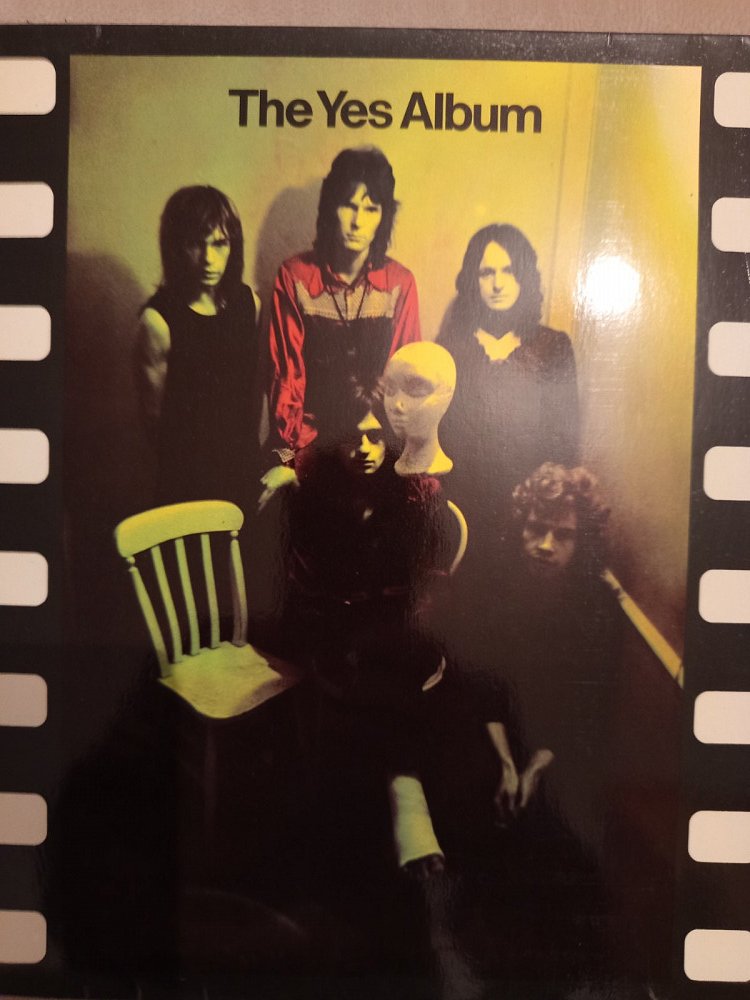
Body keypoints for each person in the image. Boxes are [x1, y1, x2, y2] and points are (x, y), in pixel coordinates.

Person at [260, 147, 421, 510]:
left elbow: (407, 380)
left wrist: (383, 447)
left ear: (384, 216)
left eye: (371, 209)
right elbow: (287, 378)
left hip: (375, 445)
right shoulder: (294, 277)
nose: (357, 221)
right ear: (330, 207)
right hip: (312, 445)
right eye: (349, 205)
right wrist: (294, 459)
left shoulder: (400, 283)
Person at [437, 224, 579, 566]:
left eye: (509, 270)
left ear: (524, 277)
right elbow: (441, 436)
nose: (498, 284)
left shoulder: (554, 346)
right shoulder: (450, 347)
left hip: (529, 515)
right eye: (487, 272)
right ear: (472, 279)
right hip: (462, 505)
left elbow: (564, 440)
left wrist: (542, 504)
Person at [136, 185, 261, 508]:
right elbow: (155, 422)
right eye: (195, 244)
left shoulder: (249, 304)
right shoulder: (157, 322)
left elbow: (253, 395)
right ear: (176, 247)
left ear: (233, 245)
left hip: (243, 472)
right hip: (187, 481)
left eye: (219, 244)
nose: (208, 259)